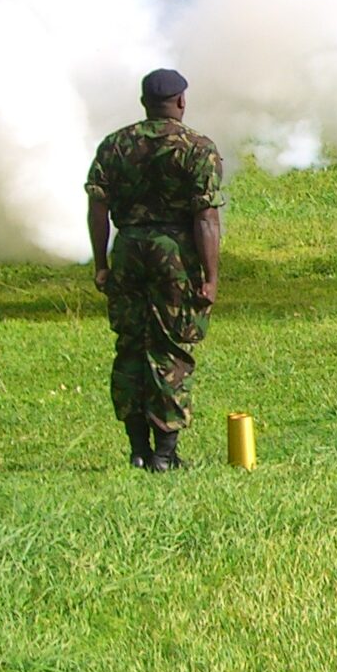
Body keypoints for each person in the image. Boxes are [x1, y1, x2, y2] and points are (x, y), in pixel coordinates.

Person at [86, 68, 227, 471]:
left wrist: (101, 262)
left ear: (144, 102)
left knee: (131, 344)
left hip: (128, 250)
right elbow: (205, 218)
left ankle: (138, 449)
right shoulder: (198, 148)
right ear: (181, 101)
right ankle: (165, 454)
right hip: (175, 255)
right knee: (171, 347)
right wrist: (211, 277)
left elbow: (98, 207)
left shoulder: (114, 145)